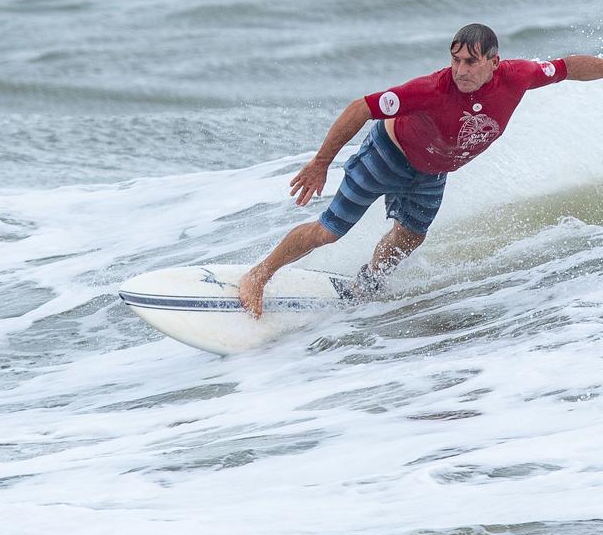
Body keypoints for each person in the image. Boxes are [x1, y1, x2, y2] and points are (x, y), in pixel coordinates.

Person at [239, 23, 603, 317]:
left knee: (410, 237)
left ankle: (365, 285)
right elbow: (361, 107)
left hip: (431, 173)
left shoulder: (519, 75)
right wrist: (321, 163)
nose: (460, 70)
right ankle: (259, 275)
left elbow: (567, 67)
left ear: (494, 62)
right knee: (329, 232)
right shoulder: (431, 89)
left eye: (470, 62)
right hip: (386, 158)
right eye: (455, 60)